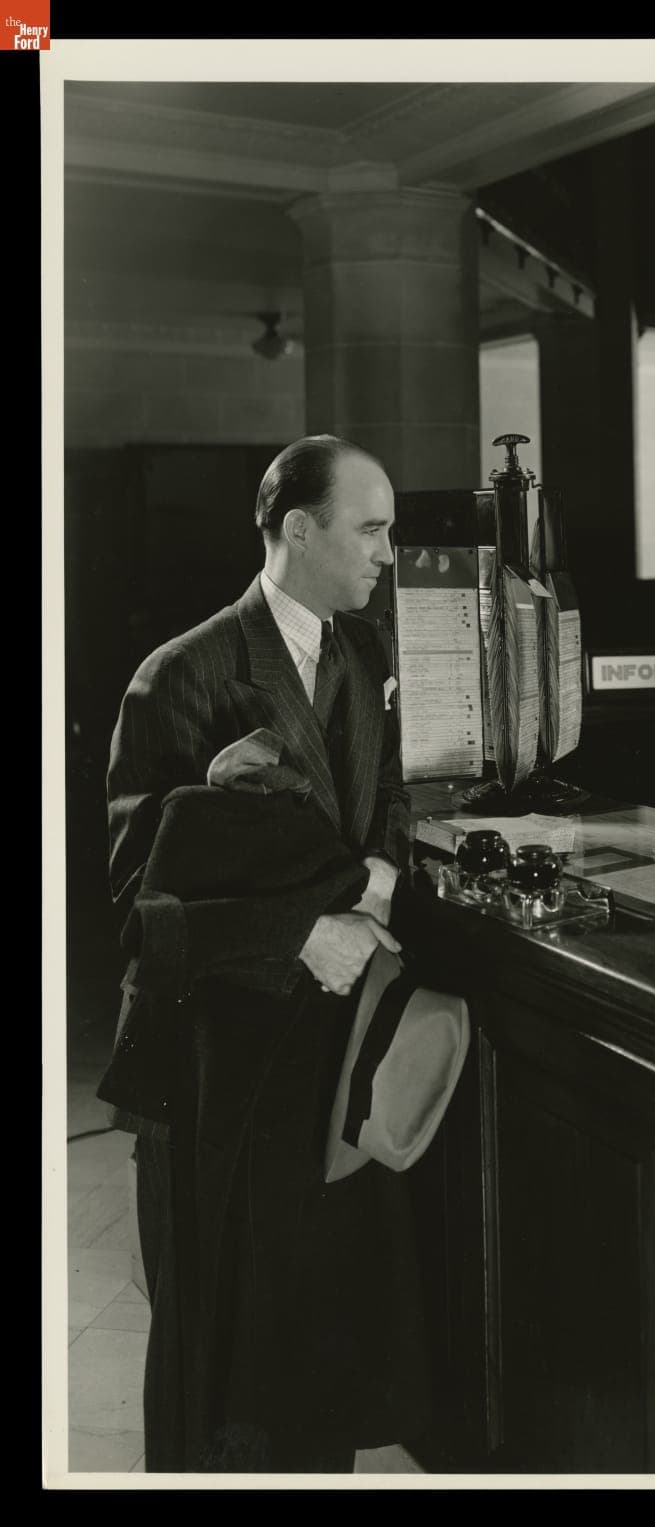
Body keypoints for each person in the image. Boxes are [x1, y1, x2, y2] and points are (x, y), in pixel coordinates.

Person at [100, 435, 430, 1473]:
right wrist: (300, 928)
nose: (389, 551)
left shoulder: (365, 653)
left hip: (324, 1048)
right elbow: (131, 905)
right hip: (217, 1065)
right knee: (221, 1364)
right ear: (299, 527)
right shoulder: (182, 676)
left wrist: (377, 875)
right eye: (371, 527)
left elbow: (381, 805)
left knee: (312, 1353)